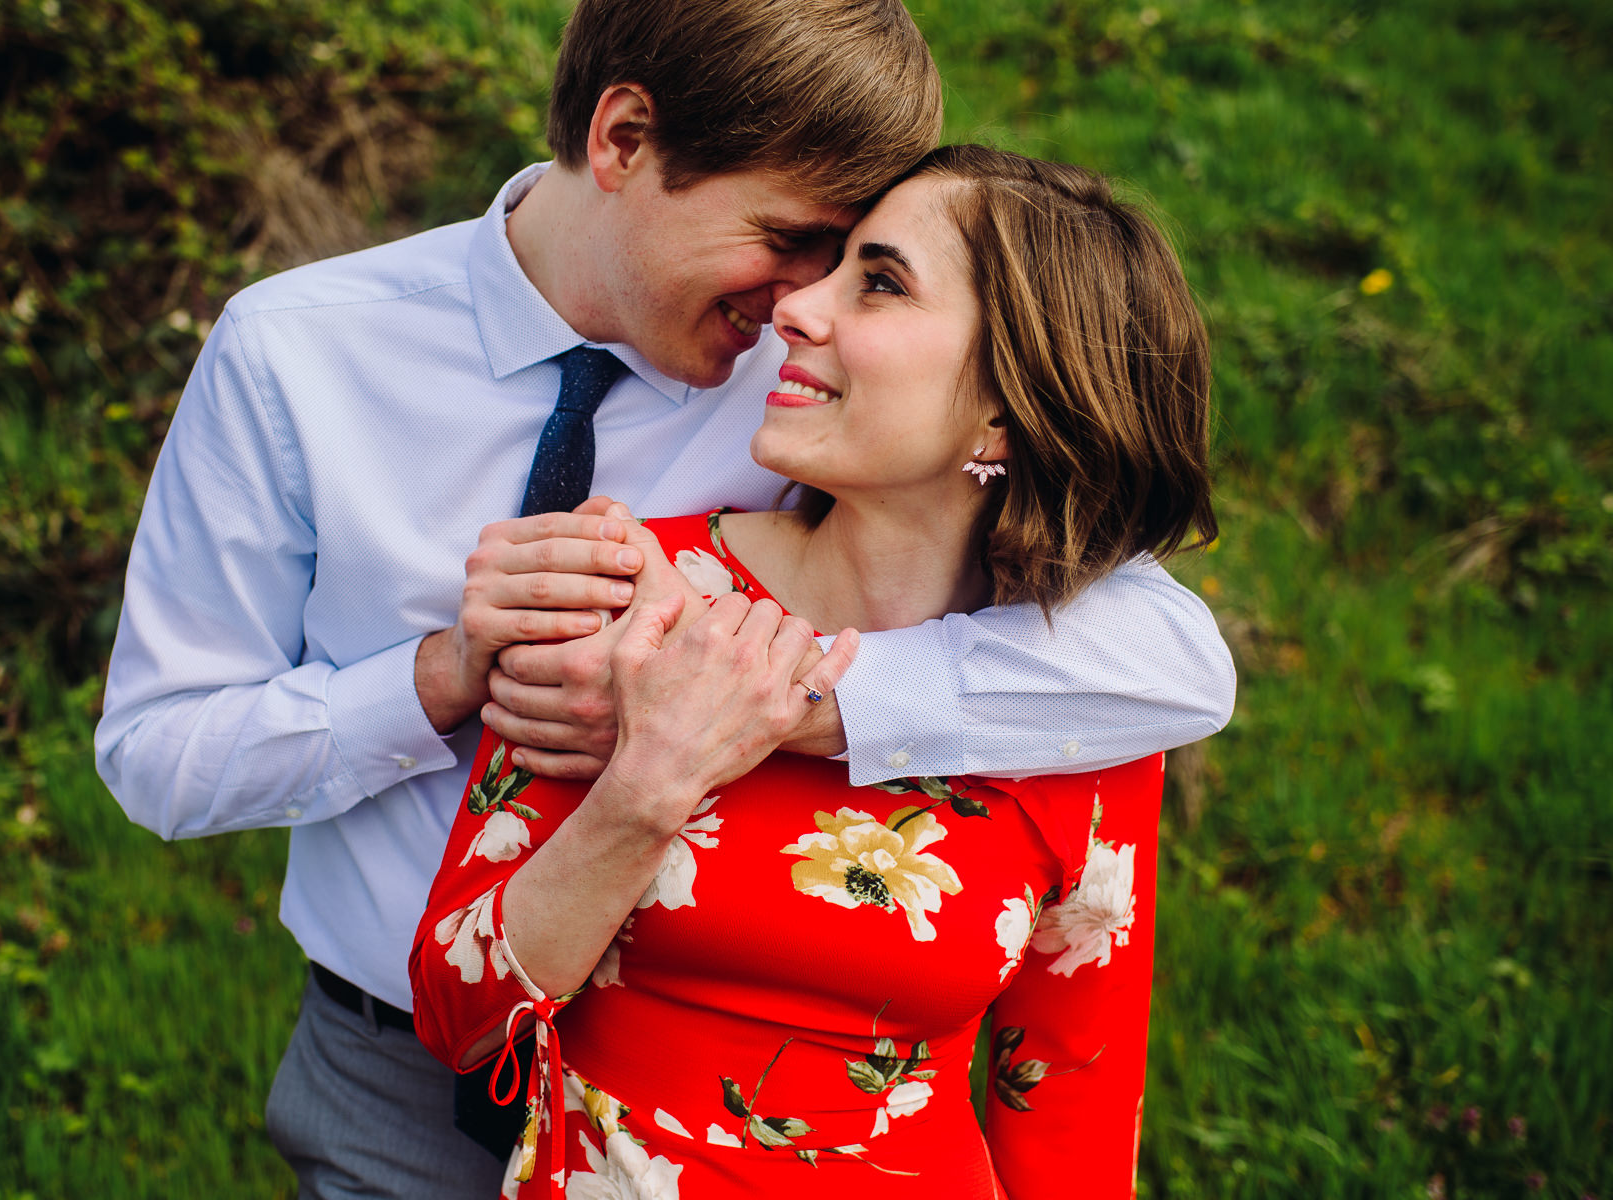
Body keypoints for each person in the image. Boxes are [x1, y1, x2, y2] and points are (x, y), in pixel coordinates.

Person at [94, 1, 1233, 1194]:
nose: (802, 300)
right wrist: (443, 676)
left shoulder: (819, 393)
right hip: (403, 1076)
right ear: (625, 139)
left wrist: (783, 696)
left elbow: (1172, 662)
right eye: (792, 238)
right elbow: (160, 751)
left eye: (853, 260)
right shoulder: (297, 355)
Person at [410, 144, 1212, 1198]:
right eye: (827, 265)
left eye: (877, 283)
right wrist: (646, 790)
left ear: (1005, 413)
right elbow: (457, 1013)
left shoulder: (1082, 704)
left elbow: (1068, 1107)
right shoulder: (632, 589)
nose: (796, 307)